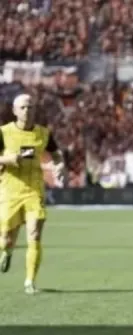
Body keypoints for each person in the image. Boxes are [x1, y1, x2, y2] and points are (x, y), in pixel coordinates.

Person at [0, 94, 66, 294]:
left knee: (35, 233)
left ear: (35, 110)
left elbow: (56, 154)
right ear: (14, 111)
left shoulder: (43, 134)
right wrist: (7, 160)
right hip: (10, 190)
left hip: (34, 190)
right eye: (22, 107)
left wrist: (60, 165)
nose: (26, 111)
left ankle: (30, 282)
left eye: (30, 107)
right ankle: (7, 250)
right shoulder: (4, 132)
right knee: (6, 237)